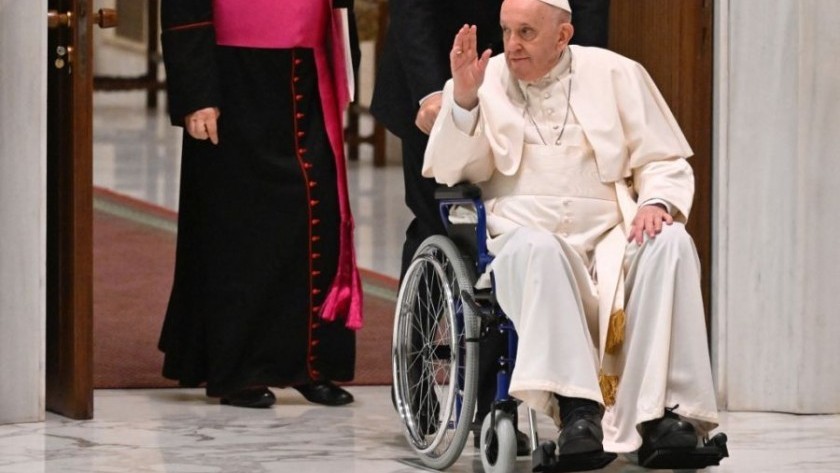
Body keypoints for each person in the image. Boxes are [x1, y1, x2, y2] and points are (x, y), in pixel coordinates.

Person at [422, 0, 722, 465]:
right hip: (523, 234)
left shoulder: (617, 73)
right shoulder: (485, 79)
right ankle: (577, 410)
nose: (512, 46)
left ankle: (665, 413)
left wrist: (656, 203)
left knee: (672, 243)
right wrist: (463, 101)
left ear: (563, 36)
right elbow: (452, 170)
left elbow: (663, 160)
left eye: (526, 32)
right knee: (539, 248)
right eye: (506, 32)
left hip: (612, 236)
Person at [157, 0, 364, 409]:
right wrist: (198, 92)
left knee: (314, 211)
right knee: (241, 226)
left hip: (307, 66)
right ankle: (241, 370)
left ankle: (312, 365)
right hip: (234, 75)